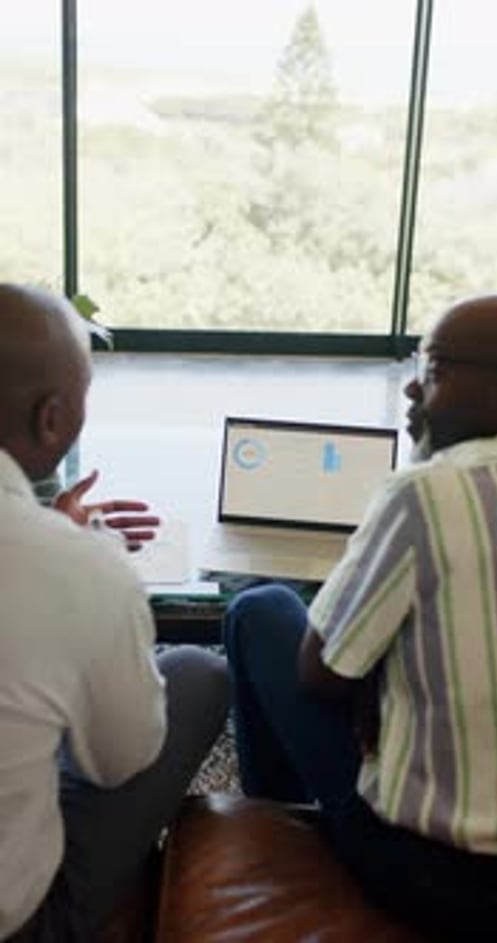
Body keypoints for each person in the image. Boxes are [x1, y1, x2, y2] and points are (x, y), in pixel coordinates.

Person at [223, 295, 497, 941]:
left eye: (432, 368)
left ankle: (277, 821)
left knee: (261, 609)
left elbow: (320, 674)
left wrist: (374, 687)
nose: (411, 386)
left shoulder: (429, 493)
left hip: (440, 874)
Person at [0, 283, 229, 942]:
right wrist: (71, 552)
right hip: (23, 922)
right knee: (193, 672)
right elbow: (119, 762)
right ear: (53, 419)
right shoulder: (78, 568)